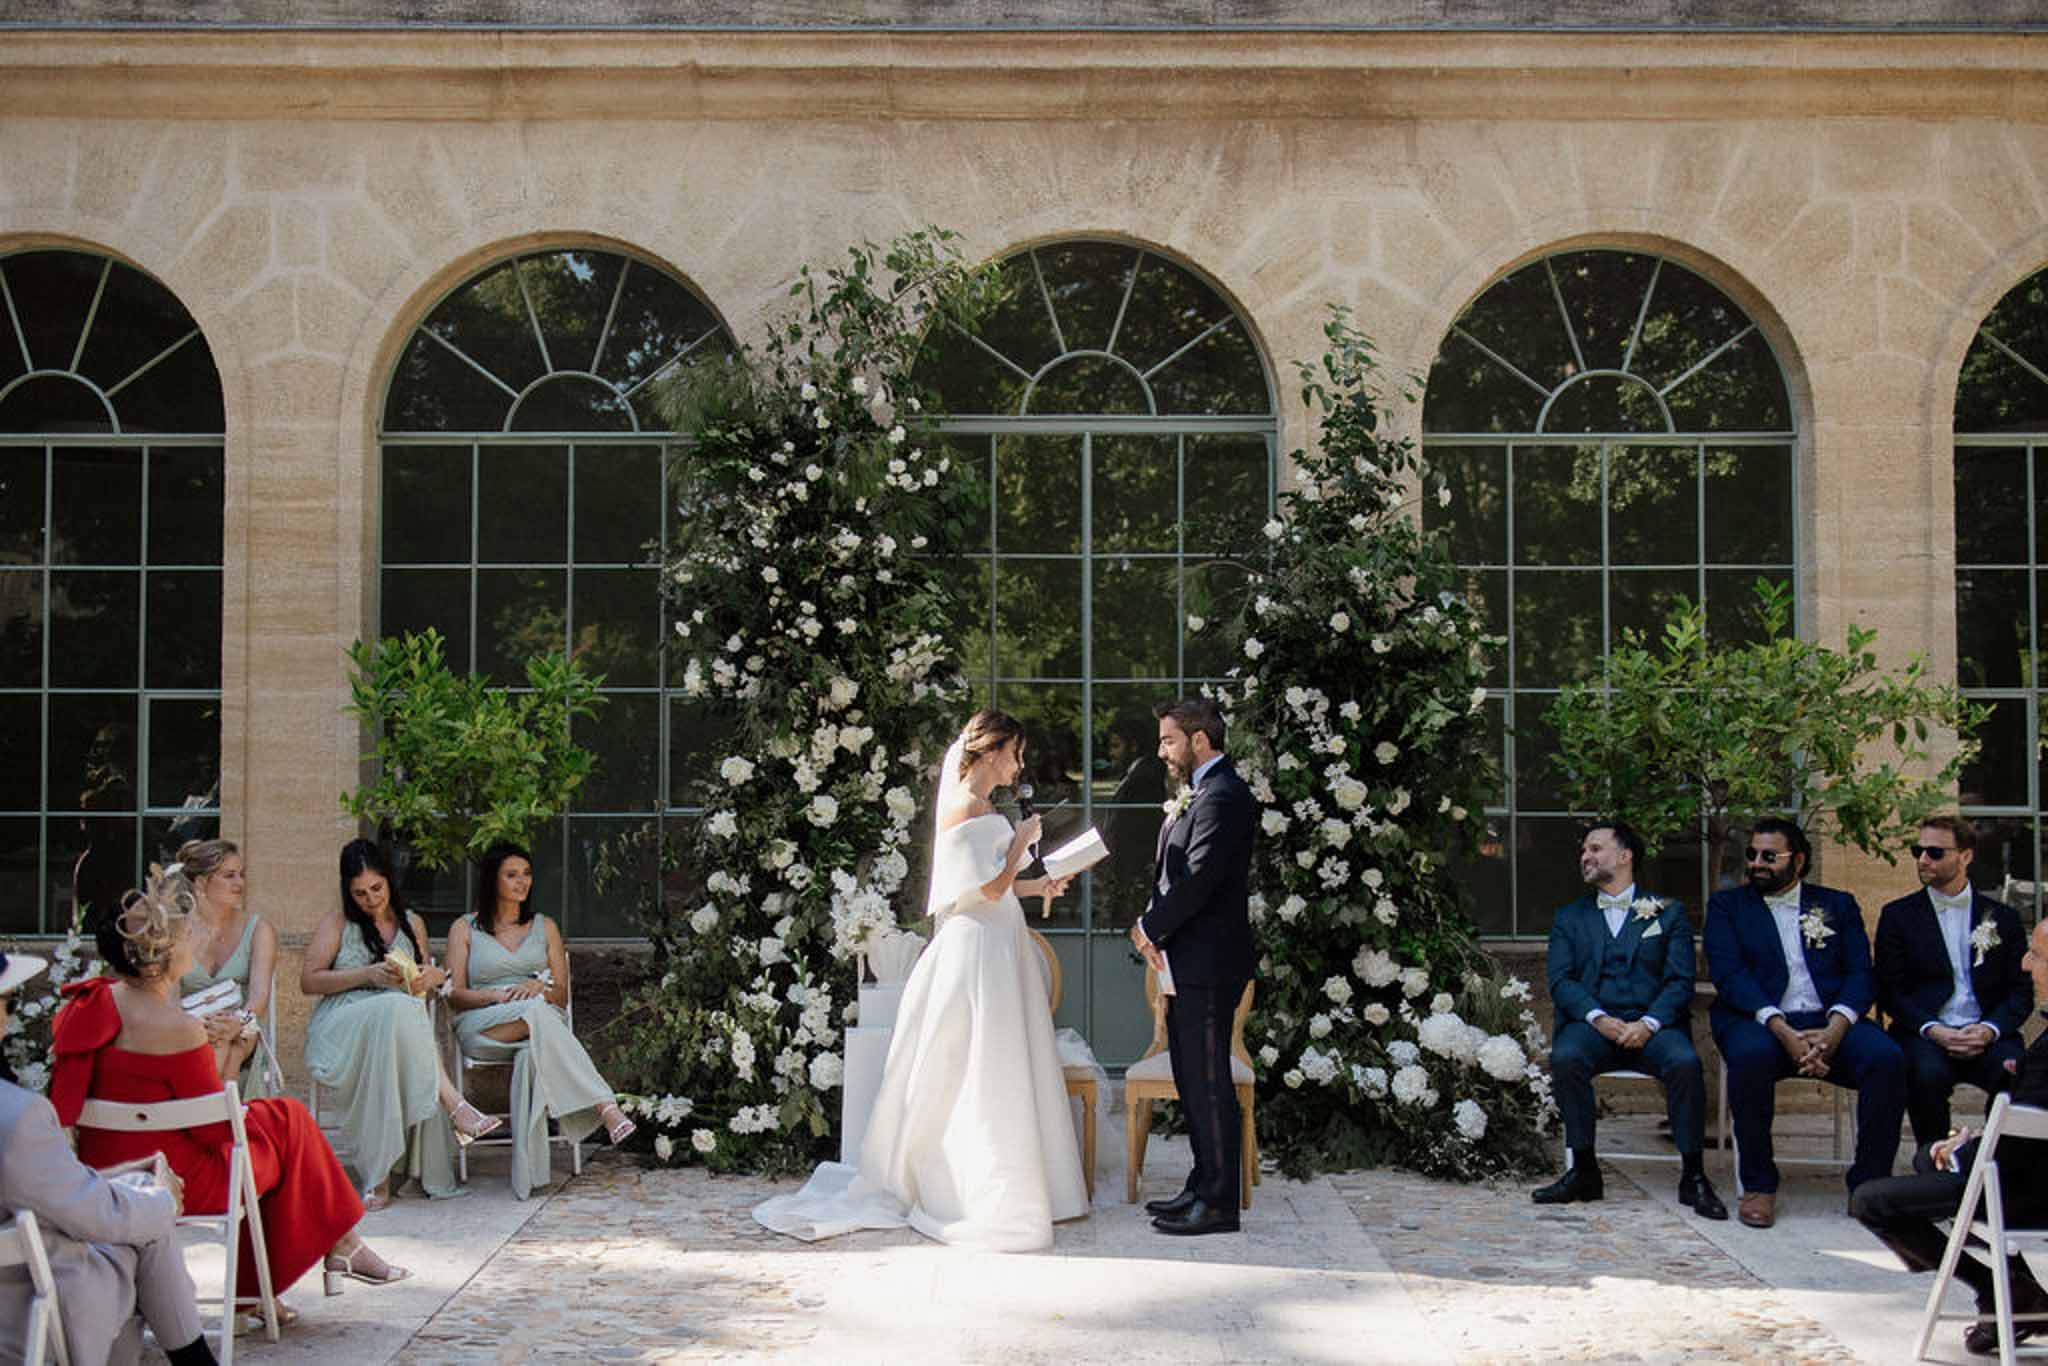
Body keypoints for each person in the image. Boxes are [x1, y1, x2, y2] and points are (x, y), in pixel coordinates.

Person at [753, 709, 1087, 1251]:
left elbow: (996, 887)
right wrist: (1022, 840)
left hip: (1001, 942)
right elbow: (986, 890)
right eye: (1014, 753)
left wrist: (1042, 885)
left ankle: (1029, 1182)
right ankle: (967, 1188)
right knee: (973, 1065)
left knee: (1006, 1060)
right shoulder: (960, 809)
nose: (1018, 766)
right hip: (974, 948)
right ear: (989, 750)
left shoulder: (988, 810)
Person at [50, 867, 408, 1328]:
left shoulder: (83, 1006)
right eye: (187, 936)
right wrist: (232, 1052)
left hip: (101, 1168)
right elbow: (216, 1131)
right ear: (164, 953)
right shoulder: (176, 1028)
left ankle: (309, 1265)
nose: (195, 943)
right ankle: (310, 1261)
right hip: (172, 1177)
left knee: (283, 1117)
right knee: (287, 1131)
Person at [0, 948, 218, 1366]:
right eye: (8, 1002)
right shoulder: (18, 1118)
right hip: (27, 1316)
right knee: (150, 1217)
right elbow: (98, 1217)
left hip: (27, 1266)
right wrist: (164, 1200)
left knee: (140, 1195)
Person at [1853, 916, 2048, 1357]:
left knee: (1869, 1200)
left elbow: (2023, 1138)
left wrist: (1965, 1151)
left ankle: (1994, 1290)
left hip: (2025, 1192)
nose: (2023, 963)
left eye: (2036, 955)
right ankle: (2019, 1292)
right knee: (1927, 1156)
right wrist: (1975, 1138)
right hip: (2029, 1170)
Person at [1703, 816, 1906, 1229]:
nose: (1756, 863)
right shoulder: (1727, 906)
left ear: (1798, 860)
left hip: (1830, 1019)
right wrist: (1780, 1027)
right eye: (1752, 855)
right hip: (1756, 1019)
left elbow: (1860, 973)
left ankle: (1870, 1186)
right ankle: (1759, 1185)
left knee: (1887, 1059)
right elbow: (1729, 976)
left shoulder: (1837, 904)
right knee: (1751, 1057)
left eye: (1769, 856)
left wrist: (1836, 1028)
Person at [1531, 820, 1726, 1220]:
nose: (1586, 856)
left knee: (1686, 1063)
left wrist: (1649, 1023)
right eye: (1584, 850)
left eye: (1596, 848)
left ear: (1625, 856)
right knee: (1566, 1058)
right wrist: (1599, 1018)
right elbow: (1562, 981)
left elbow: (1679, 980)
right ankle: (1584, 1170)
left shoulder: (1668, 914)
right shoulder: (1570, 917)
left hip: (1653, 1028)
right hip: (1593, 1028)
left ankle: (1693, 1175)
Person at [302, 839, 500, 1209]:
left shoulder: (412, 924)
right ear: (348, 891)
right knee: (398, 1007)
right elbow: (308, 981)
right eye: (359, 893)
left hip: (396, 1028)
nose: (370, 899)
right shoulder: (338, 923)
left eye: (376, 888)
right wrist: (367, 975)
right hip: (341, 1025)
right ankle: (456, 1104)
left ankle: (380, 1178)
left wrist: (430, 977)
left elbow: (422, 988)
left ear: (390, 880)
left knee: (404, 1008)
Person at [1130, 696, 1256, 1236]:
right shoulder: (1200, 792)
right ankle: (1202, 1184)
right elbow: (1172, 876)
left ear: (1199, 740)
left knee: (1209, 1083)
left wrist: (1148, 928)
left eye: (1168, 740)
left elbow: (1199, 881)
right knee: (1190, 1076)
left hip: (1208, 959)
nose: (1161, 751)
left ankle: (1220, 1204)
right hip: (1186, 959)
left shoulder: (1223, 796)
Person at [446, 842, 636, 1199]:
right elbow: (455, 995)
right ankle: (605, 1105)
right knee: (538, 1015)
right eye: (512, 875)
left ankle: (529, 1178)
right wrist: (495, 995)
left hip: (537, 1025)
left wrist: (539, 987)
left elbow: (560, 997)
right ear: (492, 880)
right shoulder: (465, 928)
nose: (522, 882)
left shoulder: (545, 926)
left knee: (536, 1040)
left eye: (527, 874)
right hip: (485, 1026)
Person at [1874, 815, 2032, 1147]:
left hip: (1986, 1031)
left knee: (2017, 1075)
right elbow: (1891, 991)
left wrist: (1989, 1029)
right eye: (1918, 850)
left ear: (1966, 856)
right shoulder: (1898, 916)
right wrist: (1935, 1030)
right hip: (1927, 1033)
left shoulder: (2003, 918)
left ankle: (1998, 1164)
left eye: (1935, 852)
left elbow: (2020, 990)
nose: (1922, 860)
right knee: (1925, 1076)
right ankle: (1934, 1170)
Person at [174, 838, 279, 1099]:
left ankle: (206, 1122)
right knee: (225, 1049)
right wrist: (195, 1024)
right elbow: (167, 995)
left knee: (230, 1043)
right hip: (189, 1023)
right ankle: (225, 1125)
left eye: (241, 875)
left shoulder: (259, 930)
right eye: (229, 876)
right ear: (201, 882)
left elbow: (259, 997)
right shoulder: (176, 932)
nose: (239, 883)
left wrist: (237, 1022)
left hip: (242, 1023)